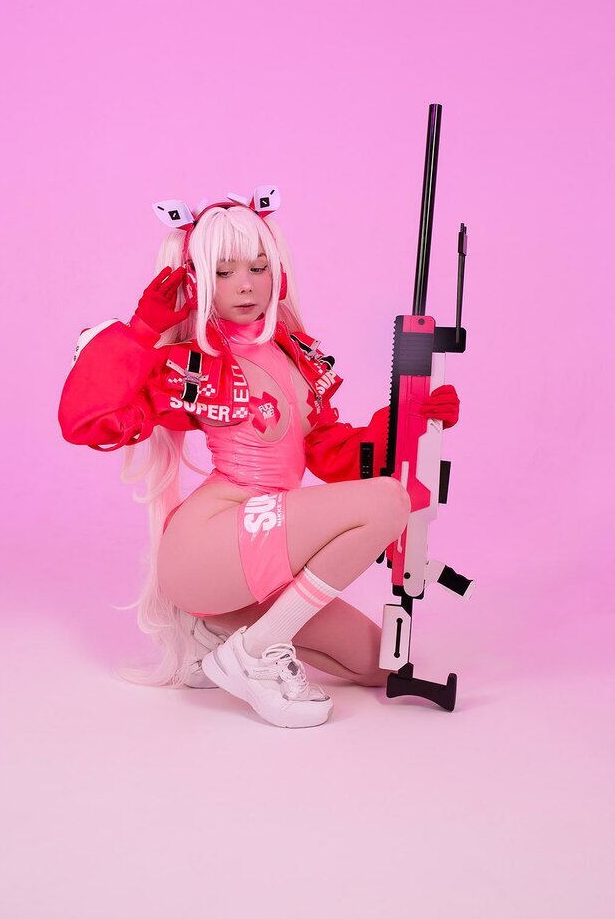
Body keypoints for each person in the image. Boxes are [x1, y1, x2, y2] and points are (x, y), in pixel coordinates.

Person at [57, 188, 460, 728]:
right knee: (388, 500)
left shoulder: (296, 354)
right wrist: (143, 330)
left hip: (264, 547)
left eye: (258, 267)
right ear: (195, 281)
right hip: (210, 542)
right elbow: (88, 421)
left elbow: (333, 455)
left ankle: (217, 633)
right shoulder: (193, 362)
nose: (245, 284)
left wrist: (410, 419)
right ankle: (252, 654)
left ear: (278, 272)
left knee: (379, 663)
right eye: (223, 272)